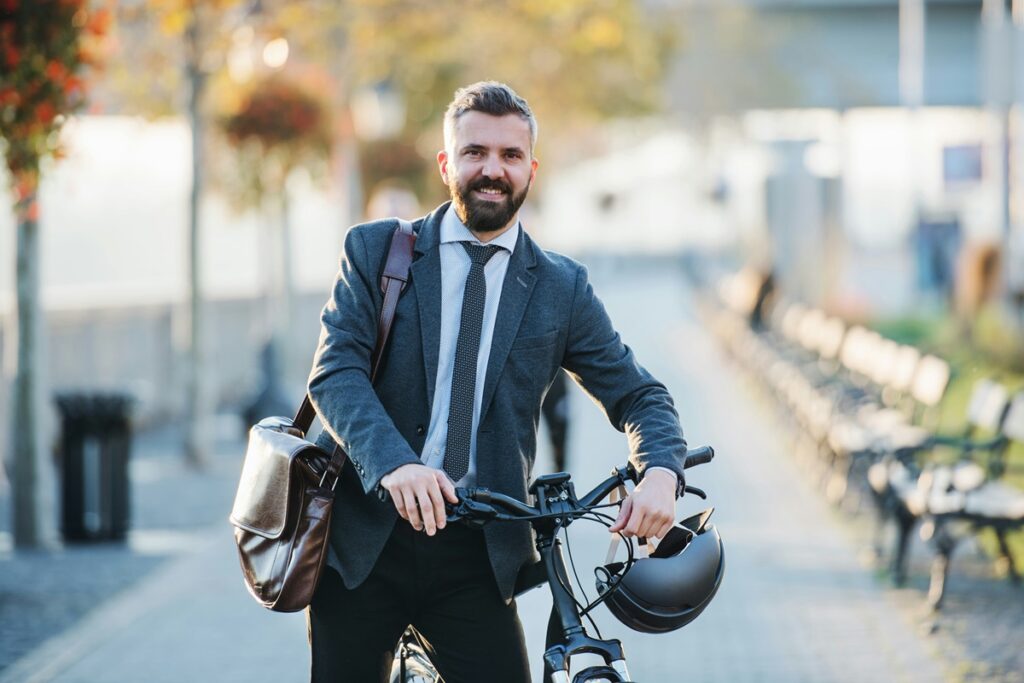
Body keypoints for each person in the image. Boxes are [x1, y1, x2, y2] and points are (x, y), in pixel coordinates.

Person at [306, 81, 688, 683]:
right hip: (364, 544)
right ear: (446, 163)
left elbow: (640, 395)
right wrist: (395, 465)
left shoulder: (561, 287)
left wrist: (661, 473)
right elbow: (335, 373)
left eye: (510, 156)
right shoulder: (376, 251)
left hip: (477, 556)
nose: (492, 170)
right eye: (475, 152)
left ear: (531, 169)